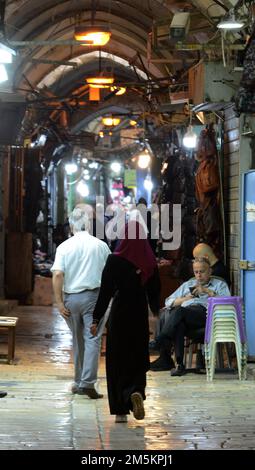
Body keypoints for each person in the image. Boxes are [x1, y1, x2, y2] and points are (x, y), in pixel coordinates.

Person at [90, 221, 160, 423]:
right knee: (137, 356)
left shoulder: (114, 260)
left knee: (117, 359)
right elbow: (155, 292)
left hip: (120, 314)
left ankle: (120, 411)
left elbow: (105, 293)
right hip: (139, 314)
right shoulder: (149, 260)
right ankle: (135, 391)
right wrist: (155, 314)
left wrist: (96, 318)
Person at [51, 206, 111, 398]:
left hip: (71, 299)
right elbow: (110, 274)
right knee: (92, 338)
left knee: (78, 340)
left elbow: (58, 274)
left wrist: (59, 303)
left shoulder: (64, 247)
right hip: (94, 298)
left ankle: (78, 381)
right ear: (88, 225)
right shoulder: (101, 246)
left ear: (71, 226)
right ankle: (87, 383)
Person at [151, 257, 230, 375]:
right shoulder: (188, 284)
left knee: (179, 312)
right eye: (196, 272)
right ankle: (179, 365)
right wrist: (185, 299)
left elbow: (228, 302)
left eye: (202, 272)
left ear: (210, 271)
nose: (198, 275)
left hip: (206, 315)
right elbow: (168, 301)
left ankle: (161, 339)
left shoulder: (219, 284)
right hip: (186, 314)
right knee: (179, 323)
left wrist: (207, 291)